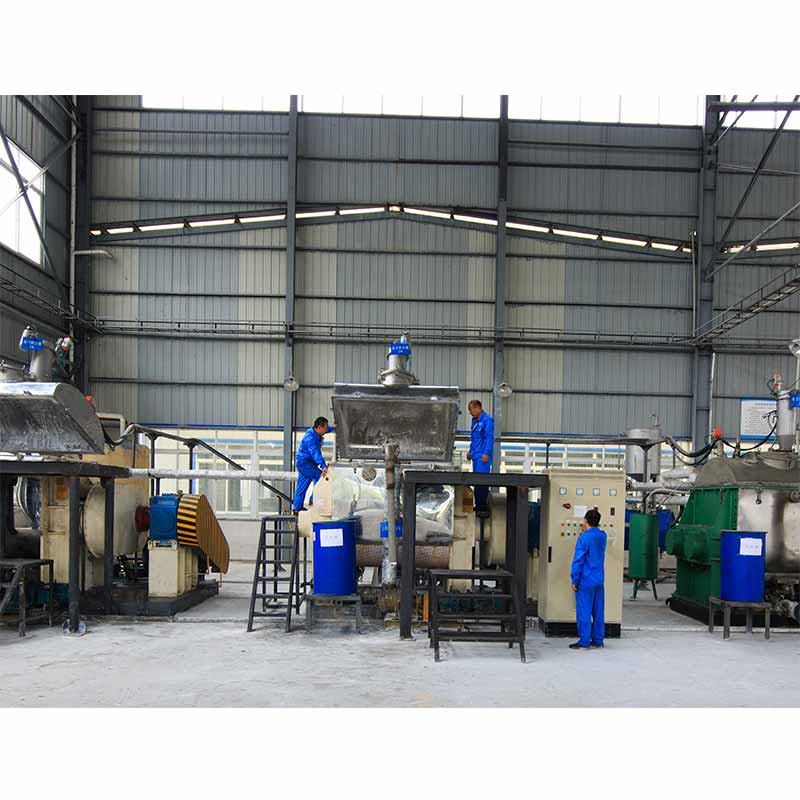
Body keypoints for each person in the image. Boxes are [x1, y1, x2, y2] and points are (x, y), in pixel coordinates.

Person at [569, 508, 607, 650]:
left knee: (584, 611)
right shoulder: (602, 536)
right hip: (599, 579)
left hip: (585, 580)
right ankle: (598, 640)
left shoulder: (584, 538)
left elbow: (578, 561)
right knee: (598, 611)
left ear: (585, 521)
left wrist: (575, 580)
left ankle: (584, 642)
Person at [293, 417, 334, 514]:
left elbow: (327, 429)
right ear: (319, 427)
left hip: (305, 462)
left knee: (302, 485)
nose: (326, 430)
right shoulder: (310, 438)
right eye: (325, 428)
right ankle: (314, 500)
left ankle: (297, 508)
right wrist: (323, 466)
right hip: (305, 462)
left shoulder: (315, 432)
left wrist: (333, 427)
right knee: (320, 477)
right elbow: (315, 453)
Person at [466, 400, 494, 512]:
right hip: (476, 456)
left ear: (477, 408)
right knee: (477, 481)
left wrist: (486, 453)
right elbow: (474, 439)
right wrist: (470, 451)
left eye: (471, 410)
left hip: (483, 456)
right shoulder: (475, 421)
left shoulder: (487, 421)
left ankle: (482, 506)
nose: (470, 413)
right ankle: (478, 504)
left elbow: (489, 438)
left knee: (482, 481)